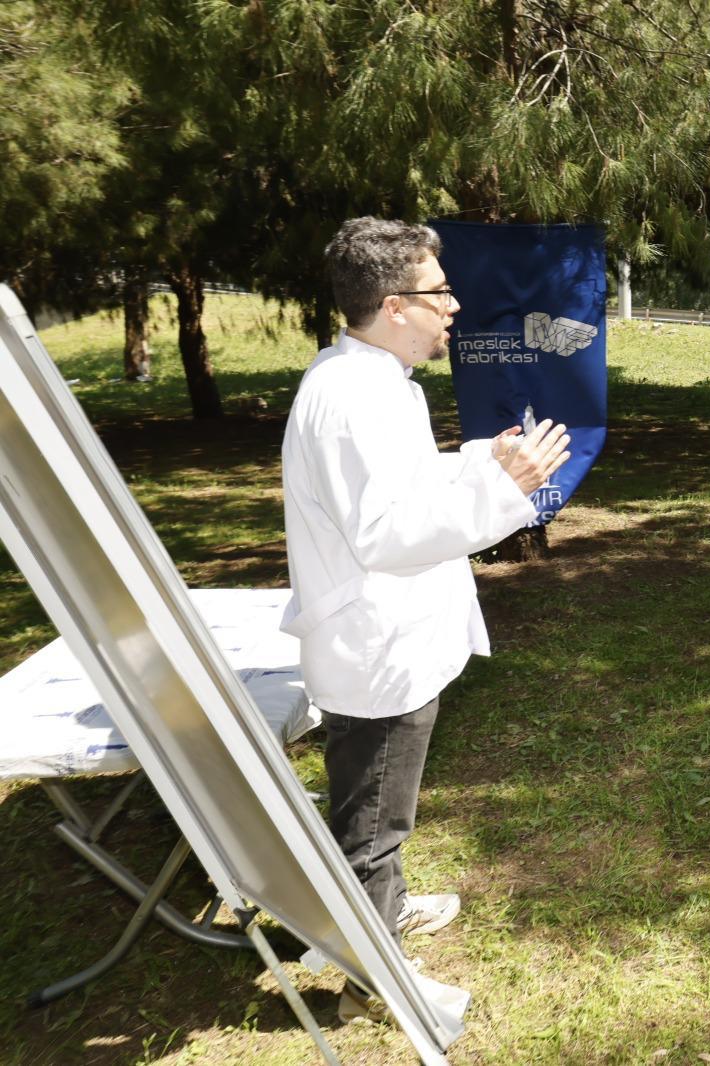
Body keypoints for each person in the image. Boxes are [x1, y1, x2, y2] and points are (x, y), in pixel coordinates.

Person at [281, 218, 572, 1020]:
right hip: (379, 652)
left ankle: (382, 914)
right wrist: (505, 493)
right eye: (439, 291)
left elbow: (401, 487)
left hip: (387, 638)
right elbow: (390, 534)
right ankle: (374, 983)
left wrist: (483, 461)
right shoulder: (352, 399)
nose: (455, 304)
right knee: (374, 821)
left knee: (376, 810)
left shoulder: (370, 383)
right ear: (393, 304)